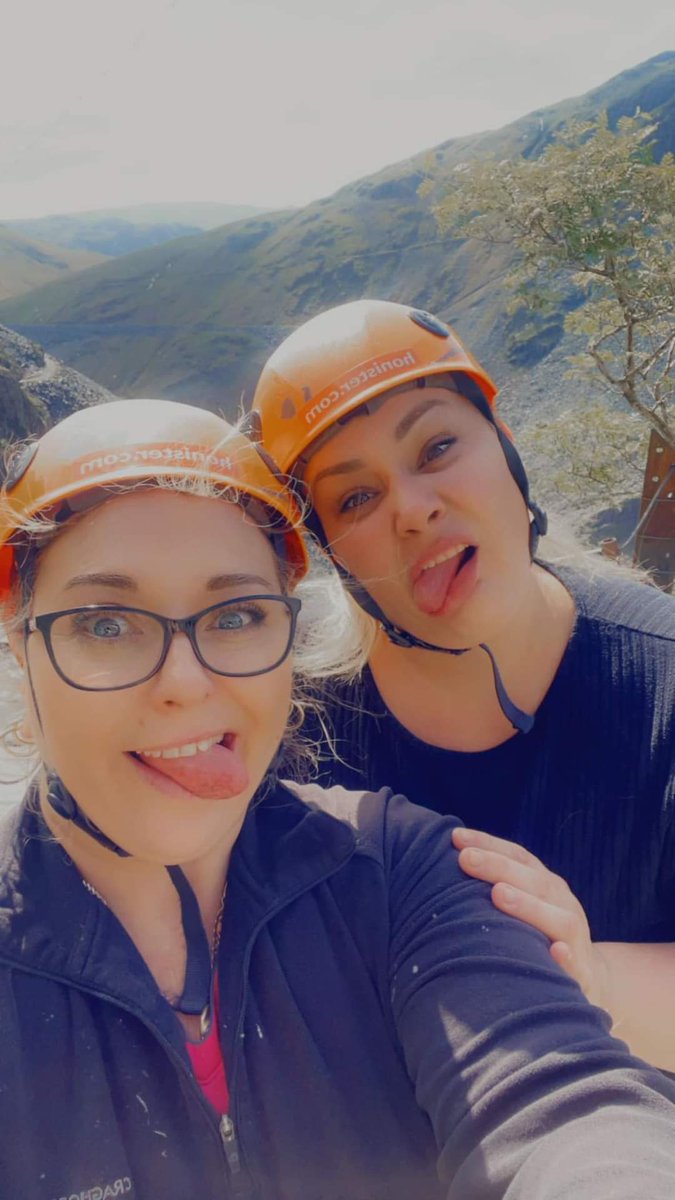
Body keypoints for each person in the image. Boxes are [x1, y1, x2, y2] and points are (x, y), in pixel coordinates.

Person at [3, 400, 675, 1199]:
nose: (186, 682)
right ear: (20, 640)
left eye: (238, 615)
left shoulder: (408, 873)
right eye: (106, 624)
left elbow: (563, 1108)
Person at [251, 297, 675, 1070]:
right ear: (330, 552)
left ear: (506, 449)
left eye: (437, 446)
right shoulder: (289, 720)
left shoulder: (663, 685)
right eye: (355, 497)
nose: (412, 508)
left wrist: (587, 974)